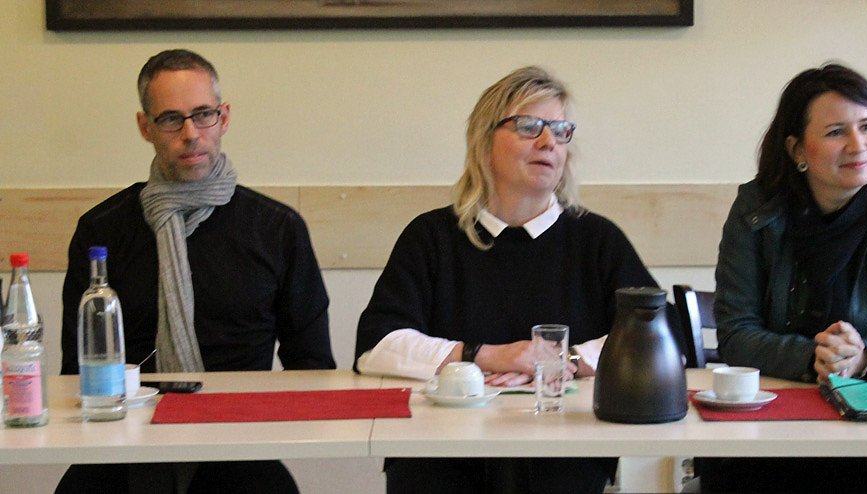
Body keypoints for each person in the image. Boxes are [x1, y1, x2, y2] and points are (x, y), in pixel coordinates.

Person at [354, 66, 664, 494]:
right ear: (484, 142)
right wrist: (487, 356)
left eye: (560, 130)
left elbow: (654, 333)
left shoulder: (596, 238)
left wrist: (562, 362)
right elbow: (376, 346)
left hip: (563, 449)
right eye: (529, 126)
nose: (548, 142)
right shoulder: (431, 236)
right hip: (438, 449)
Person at [56, 49, 334, 493]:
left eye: (203, 114)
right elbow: (76, 371)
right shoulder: (102, 230)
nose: (190, 134)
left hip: (239, 441)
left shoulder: (276, 228)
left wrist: (252, 421)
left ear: (224, 118)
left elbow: (313, 366)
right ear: (145, 127)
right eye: (171, 119)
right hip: (124, 440)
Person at [706, 63, 867, 493]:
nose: (858, 145)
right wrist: (813, 358)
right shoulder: (756, 209)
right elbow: (736, 333)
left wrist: (864, 358)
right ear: (797, 149)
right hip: (770, 428)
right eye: (836, 132)